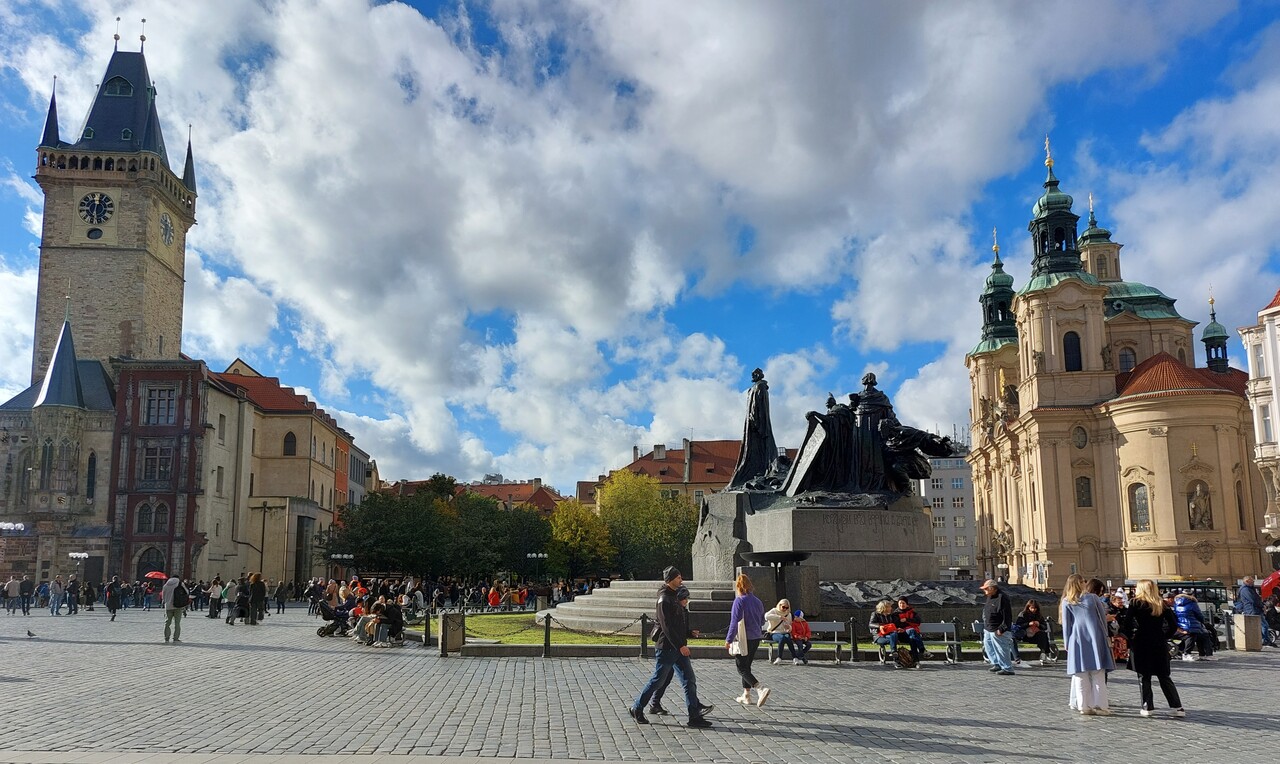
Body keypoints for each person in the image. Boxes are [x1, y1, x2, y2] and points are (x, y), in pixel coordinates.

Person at [629, 566, 712, 728]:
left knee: (689, 680)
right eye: (678, 577)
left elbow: (676, 624)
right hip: (667, 648)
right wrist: (681, 645)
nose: (681, 579)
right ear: (670, 579)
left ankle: (694, 716)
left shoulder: (674, 596)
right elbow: (666, 627)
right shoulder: (664, 599)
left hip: (678, 647)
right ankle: (637, 707)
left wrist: (688, 633)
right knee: (657, 681)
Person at [1121, 579, 1186, 718]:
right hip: (1158, 642)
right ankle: (1177, 706)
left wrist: (1132, 638)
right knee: (1164, 676)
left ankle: (1147, 706)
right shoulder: (1160, 603)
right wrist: (1164, 636)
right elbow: (1173, 625)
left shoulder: (1135, 603)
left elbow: (1126, 625)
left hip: (1141, 641)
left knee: (1144, 676)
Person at [1061, 573, 1115, 715]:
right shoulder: (1093, 598)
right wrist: (1106, 636)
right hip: (1095, 636)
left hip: (1076, 639)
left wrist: (1067, 643)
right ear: (1080, 583)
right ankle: (1101, 706)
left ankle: (1083, 706)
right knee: (1098, 673)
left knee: (1080, 674)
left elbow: (1066, 626)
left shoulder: (1067, 601)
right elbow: (1102, 619)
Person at [980, 579, 1016, 675]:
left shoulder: (1002, 598)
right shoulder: (990, 596)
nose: (984, 591)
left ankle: (1007, 668)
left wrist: (1002, 628)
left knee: (1001, 648)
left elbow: (1007, 615)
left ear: (992, 588)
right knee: (989, 646)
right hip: (988, 628)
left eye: (986, 589)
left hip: (998, 629)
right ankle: (997, 663)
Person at [1013, 599, 1055, 665]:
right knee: (1043, 637)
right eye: (1032, 608)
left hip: (1035, 635)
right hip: (1024, 635)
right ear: (1028, 607)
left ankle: (1043, 653)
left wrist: (1039, 625)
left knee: (1043, 635)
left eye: (1035, 608)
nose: (1033, 610)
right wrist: (1028, 624)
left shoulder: (1039, 615)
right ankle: (1044, 654)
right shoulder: (1023, 614)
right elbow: (1019, 625)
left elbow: (1044, 626)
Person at [1236, 576, 1273, 647]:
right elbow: (1253, 600)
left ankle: (1265, 640)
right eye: (1252, 581)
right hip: (1252, 610)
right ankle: (1265, 640)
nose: (1253, 582)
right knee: (1264, 625)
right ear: (1247, 581)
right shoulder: (1245, 590)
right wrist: (1262, 606)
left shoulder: (1249, 588)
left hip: (1255, 609)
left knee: (1262, 625)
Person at [764, 598, 799, 664]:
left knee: (787, 638)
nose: (785, 609)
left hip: (784, 632)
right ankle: (779, 657)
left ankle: (794, 657)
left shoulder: (788, 614)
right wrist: (779, 617)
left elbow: (790, 626)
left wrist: (789, 627)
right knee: (782, 638)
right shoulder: (774, 611)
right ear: (779, 605)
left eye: (787, 607)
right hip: (774, 633)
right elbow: (766, 616)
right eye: (783, 607)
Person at [892, 597, 927, 663]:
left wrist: (906, 620)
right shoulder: (895, 614)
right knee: (912, 631)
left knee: (912, 639)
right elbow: (897, 624)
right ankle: (922, 650)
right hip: (901, 635)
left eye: (903, 603)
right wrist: (906, 625)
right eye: (900, 603)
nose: (902, 605)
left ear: (907, 604)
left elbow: (918, 621)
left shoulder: (913, 613)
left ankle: (916, 661)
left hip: (913, 634)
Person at [161, 575, 185, 643]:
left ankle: (166, 638)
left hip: (168, 606)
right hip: (178, 606)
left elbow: (163, 597)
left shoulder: (165, 585)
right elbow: (186, 592)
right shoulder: (180, 584)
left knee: (167, 623)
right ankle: (176, 638)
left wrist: (166, 602)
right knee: (177, 623)